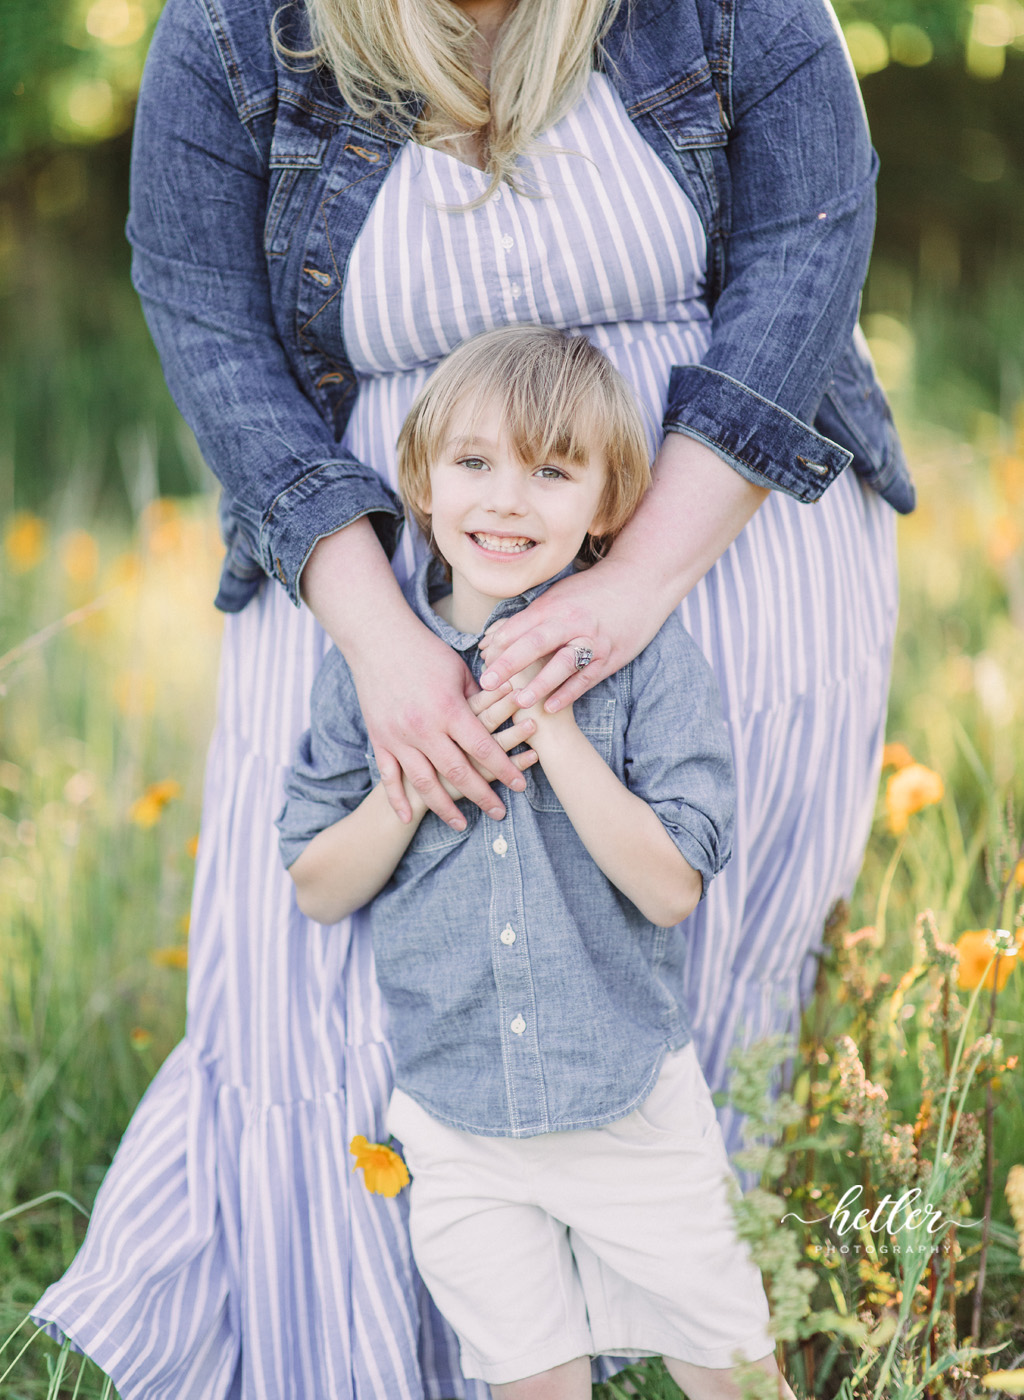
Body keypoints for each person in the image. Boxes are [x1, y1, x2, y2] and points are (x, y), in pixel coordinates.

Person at [34, 0, 911, 1396]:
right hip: (376, 554)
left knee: (682, 973)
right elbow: (210, 333)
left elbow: (808, 261)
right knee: (311, 994)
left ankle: (702, 1335)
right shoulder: (227, 33)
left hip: (708, 522)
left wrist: (633, 590)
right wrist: (385, 644)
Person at [277, 323, 791, 1400]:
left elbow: (670, 885)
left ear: (606, 506)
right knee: (528, 1380)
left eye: (550, 472)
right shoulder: (374, 674)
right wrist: (408, 775)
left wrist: (554, 731)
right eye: (474, 463)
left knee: (735, 1370)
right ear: (421, 479)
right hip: (457, 1118)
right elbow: (317, 887)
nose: (506, 501)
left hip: (627, 1104)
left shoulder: (644, 659)